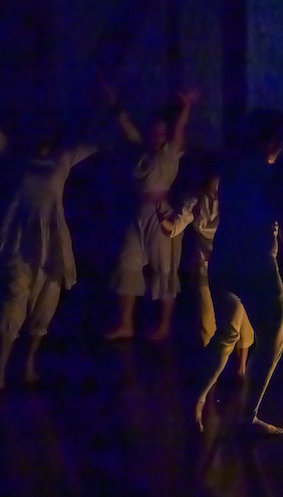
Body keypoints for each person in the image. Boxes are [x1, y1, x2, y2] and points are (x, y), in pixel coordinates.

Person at [196, 108, 283, 435]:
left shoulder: (232, 171)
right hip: (257, 267)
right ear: (272, 141)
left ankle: (194, 401)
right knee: (272, 342)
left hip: (222, 261)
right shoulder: (273, 178)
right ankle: (246, 417)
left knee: (226, 334)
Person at [0, 84, 98, 391]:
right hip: (19, 240)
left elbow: (98, 139)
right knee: (13, 302)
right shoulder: (17, 157)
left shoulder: (64, 158)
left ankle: (28, 364)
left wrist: (108, 103)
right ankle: (0, 372)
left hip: (51, 244)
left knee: (44, 305)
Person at [101, 78, 199, 341]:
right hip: (137, 216)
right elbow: (126, 126)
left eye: (161, 133)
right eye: (153, 132)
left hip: (160, 215)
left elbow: (179, 130)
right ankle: (126, 323)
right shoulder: (139, 152)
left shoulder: (169, 153)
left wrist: (185, 107)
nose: (157, 136)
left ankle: (165, 324)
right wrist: (113, 103)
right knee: (127, 264)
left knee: (163, 269)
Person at [158, 173, 253, 376]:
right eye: (214, 185)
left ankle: (241, 366)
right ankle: (211, 367)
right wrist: (164, 221)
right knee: (206, 317)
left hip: (233, 264)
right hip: (206, 265)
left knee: (241, 315)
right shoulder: (196, 200)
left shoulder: (237, 198)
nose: (218, 190)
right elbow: (176, 224)